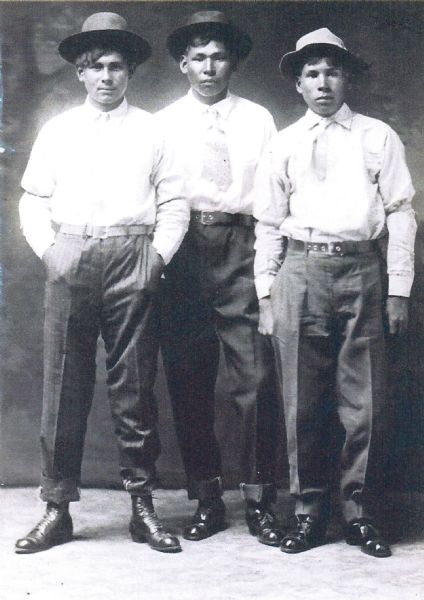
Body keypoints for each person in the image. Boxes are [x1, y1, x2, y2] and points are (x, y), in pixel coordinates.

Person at [15, 12, 189, 555]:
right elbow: (33, 199)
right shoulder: (58, 130)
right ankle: (57, 508)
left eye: (117, 66)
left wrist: (156, 257)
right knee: (64, 383)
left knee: (134, 385)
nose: (107, 77)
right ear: (81, 74)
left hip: (133, 255)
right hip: (72, 255)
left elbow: (174, 201)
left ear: (130, 71)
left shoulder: (154, 129)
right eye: (96, 67)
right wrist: (52, 252)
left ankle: (143, 507)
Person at [254, 28, 416, 558]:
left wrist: (398, 290)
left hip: (362, 271)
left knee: (363, 402)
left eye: (332, 72)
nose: (323, 83)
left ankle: (359, 512)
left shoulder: (377, 137)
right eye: (312, 74)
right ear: (298, 85)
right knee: (302, 402)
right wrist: (265, 295)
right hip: (300, 271)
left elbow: (400, 213)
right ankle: (307, 511)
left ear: (347, 79)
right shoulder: (282, 144)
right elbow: (269, 224)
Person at [157, 10, 282, 546]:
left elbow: (274, 195)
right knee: (188, 376)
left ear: (233, 64)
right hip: (182, 248)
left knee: (255, 377)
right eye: (199, 57)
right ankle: (206, 496)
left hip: (243, 244)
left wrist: (267, 262)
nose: (209, 67)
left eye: (219, 57)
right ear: (184, 64)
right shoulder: (161, 122)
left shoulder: (258, 119)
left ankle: (259, 498)